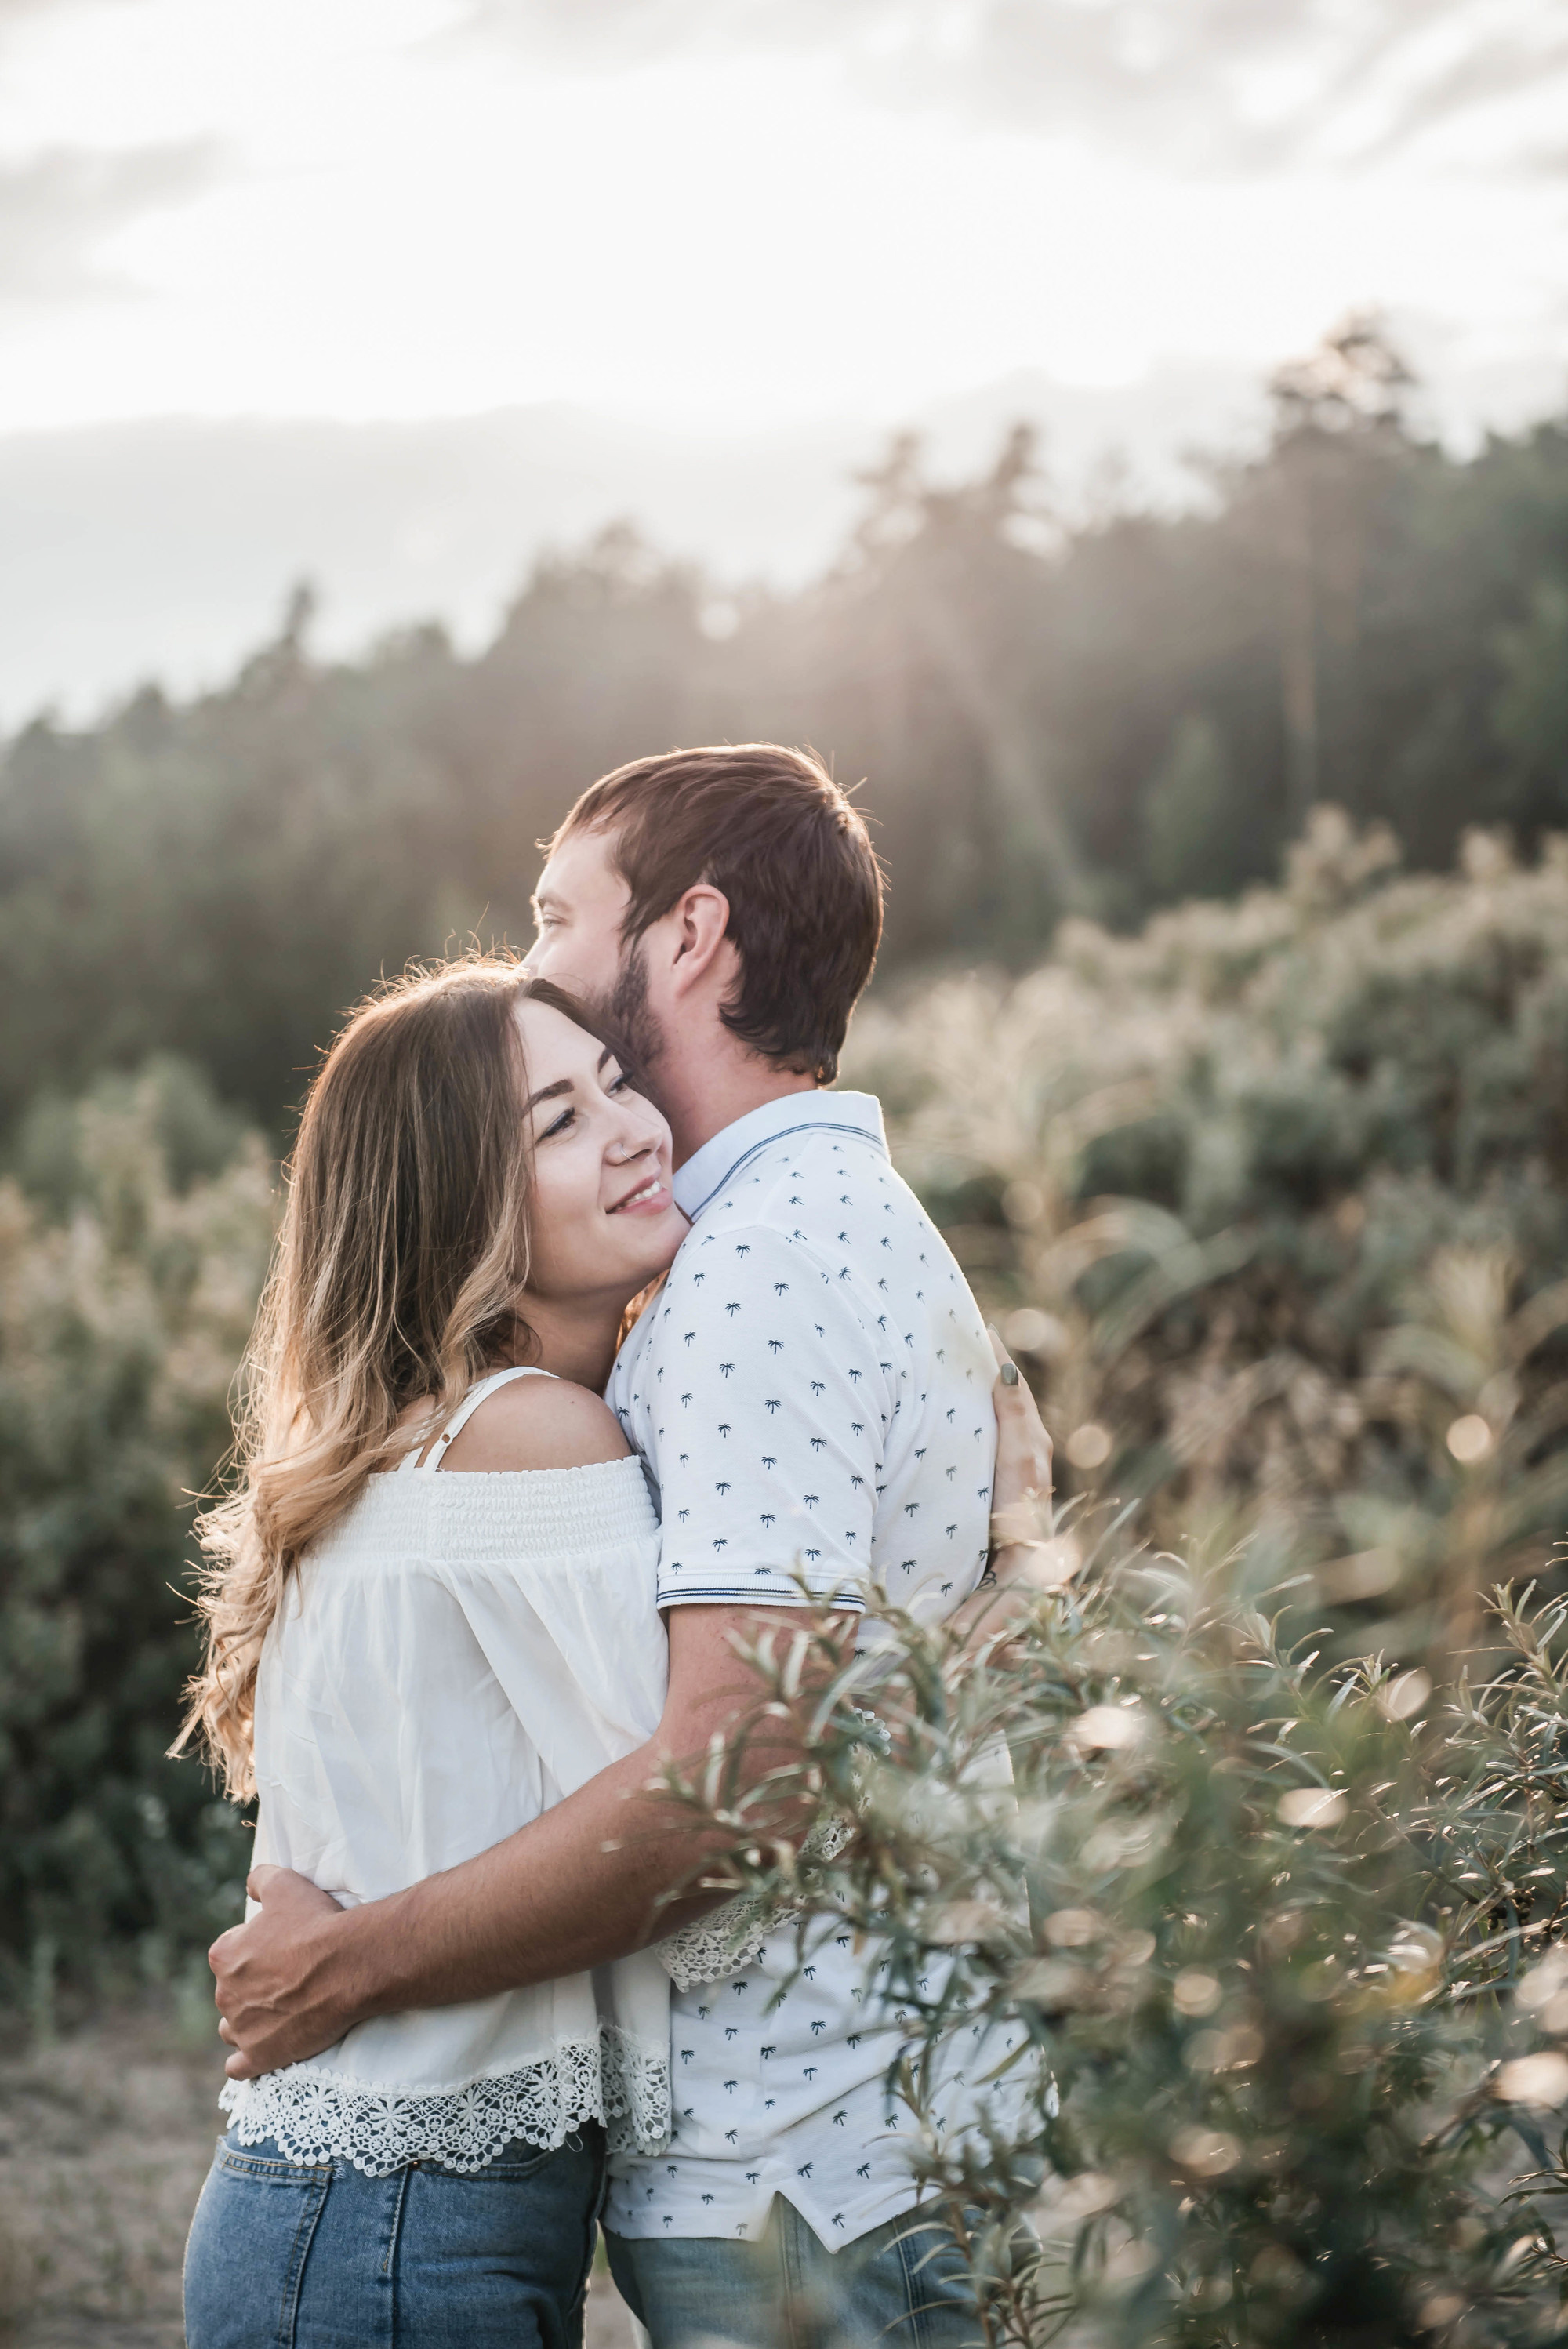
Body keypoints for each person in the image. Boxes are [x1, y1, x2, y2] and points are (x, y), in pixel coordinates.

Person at [209, 745, 1054, 2348]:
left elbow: (711, 1790)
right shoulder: (779, 1247)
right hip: (800, 2143)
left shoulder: (751, 1274)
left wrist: (348, 1964)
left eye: (553, 916)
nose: (533, 963)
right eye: (552, 1112)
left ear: (687, 939)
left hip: (801, 2164)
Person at [180, 961, 690, 2347]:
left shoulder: (410, 1441)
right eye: (559, 1122)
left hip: (360, 2217)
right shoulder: (526, 1436)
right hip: (401, 2231)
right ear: (457, 1202)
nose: (637, 1127)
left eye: (619, 1082)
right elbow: (702, 1827)